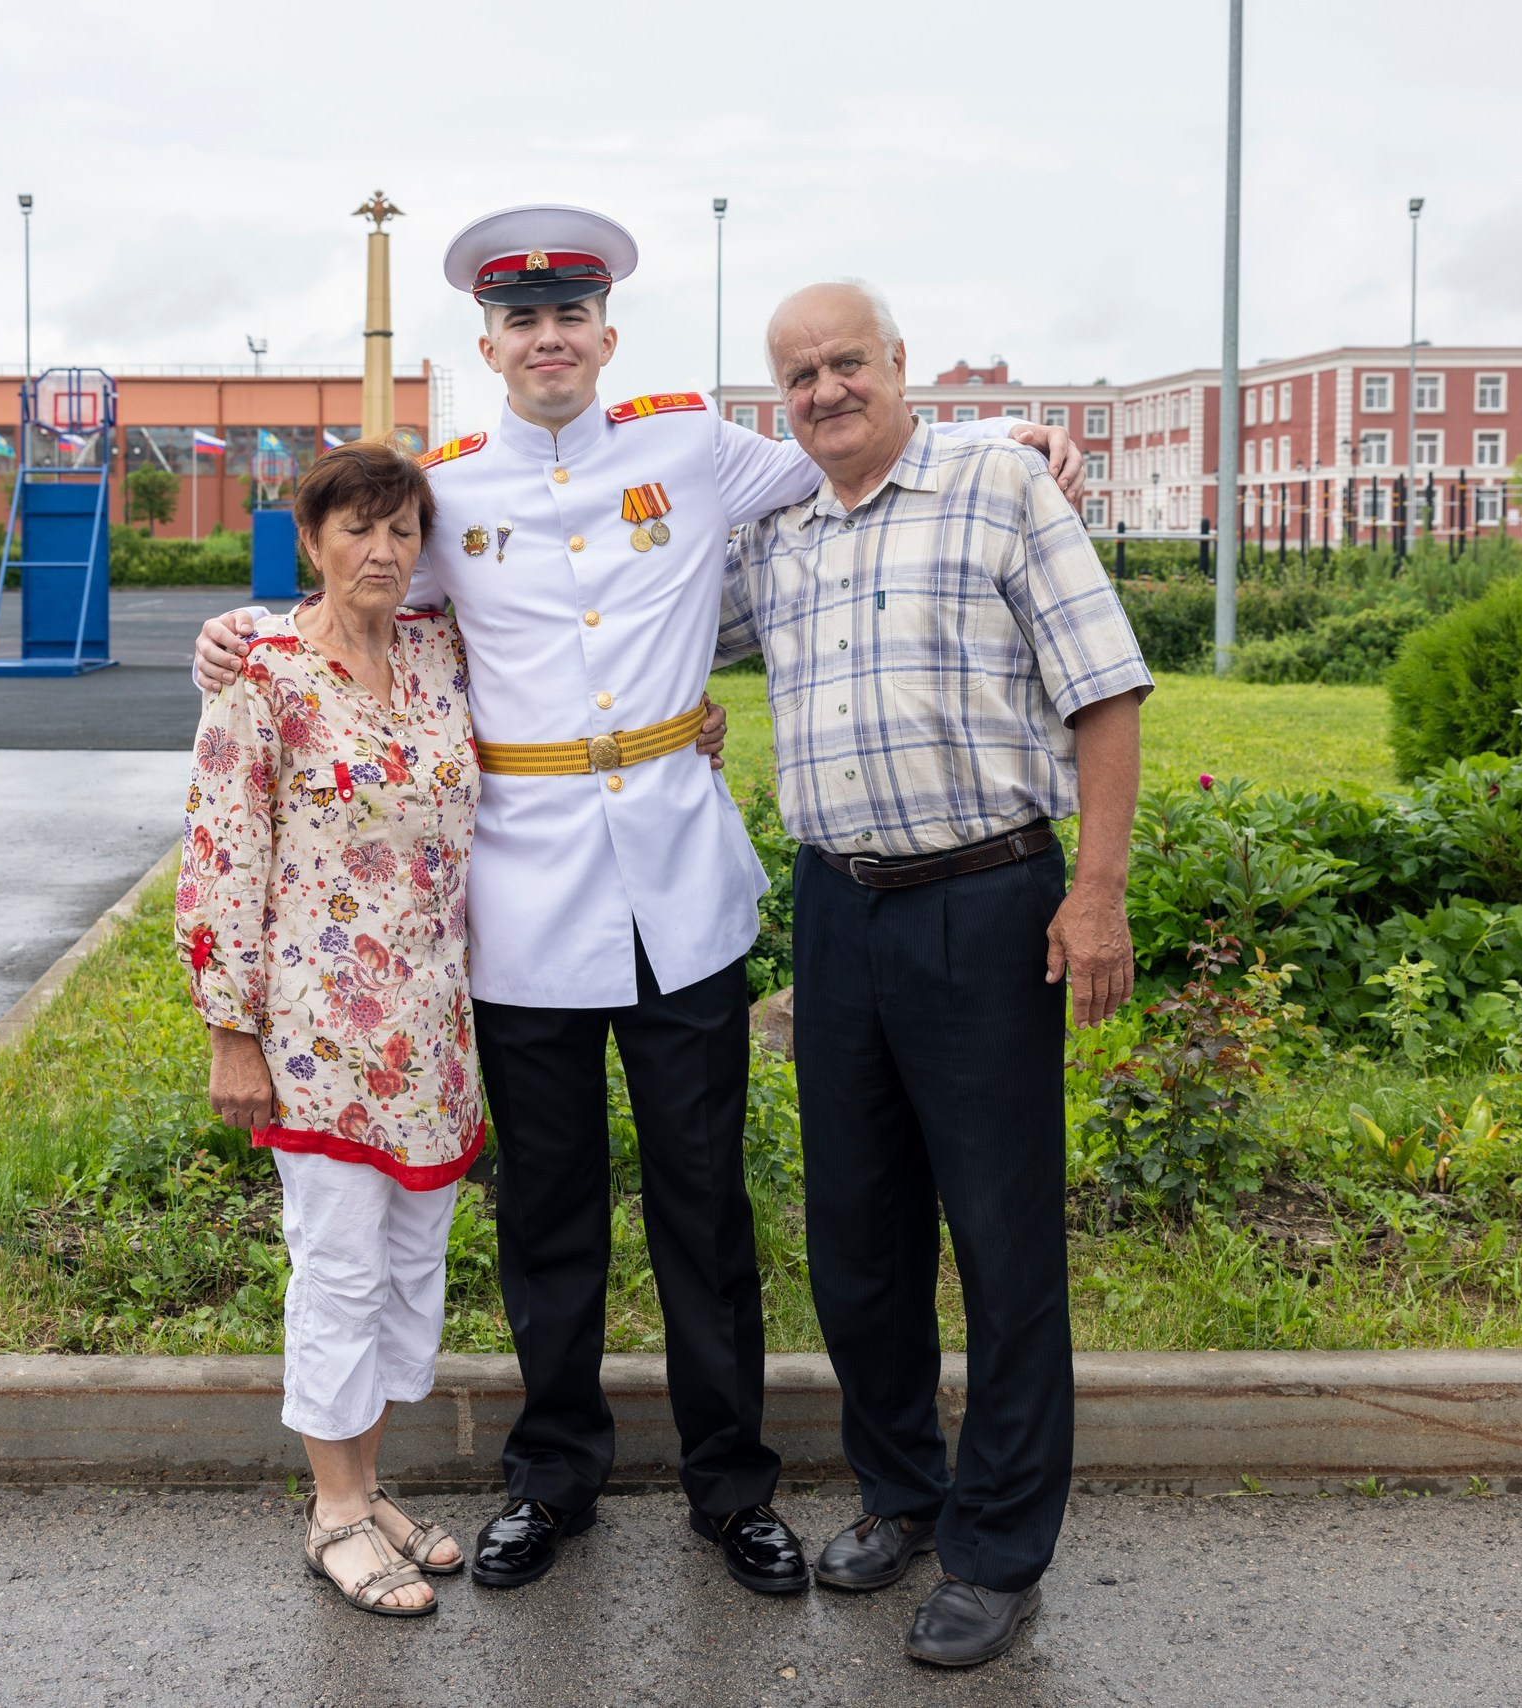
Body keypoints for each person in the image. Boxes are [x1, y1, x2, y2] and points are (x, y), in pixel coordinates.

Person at [192, 205, 1085, 1597]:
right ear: (487, 345)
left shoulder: (694, 449)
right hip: (527, 906)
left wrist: (1011, 443)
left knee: (703, 1210)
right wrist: (238, 632)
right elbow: (350, 599)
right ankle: (554, 1480)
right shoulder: (453, 488)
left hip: (680, 891)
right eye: (521, 322)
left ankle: (733, 1489)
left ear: (607, 336)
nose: (549, 340)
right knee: (549, 1218)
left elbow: (854, 450)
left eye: (571, 318)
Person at [714, 280, 1149, 1669]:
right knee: (858, 1235)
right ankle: (903, 1493)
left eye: (848, 363)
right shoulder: (774, 529)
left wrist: (1096, 894)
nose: (826, 389)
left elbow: (1105, 691)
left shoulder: (999, 489)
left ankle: (999, 1550)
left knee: (1004, 1239)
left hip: (988, 902)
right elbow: (613, 619)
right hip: (838, 913)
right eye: (798, 375)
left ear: (900, 368)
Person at [176, 440, 480, 1617]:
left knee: (410, 1274)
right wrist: (230, 1033)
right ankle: (334, 1513)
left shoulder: (437, 654)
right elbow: (218, 859)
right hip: (314, 1037)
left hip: (434, 1035)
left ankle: (369, 1482)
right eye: (355, 529)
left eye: (401, 529)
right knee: (341, 1271)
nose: (381, 550)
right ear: (311, 543)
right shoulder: (263, 674)